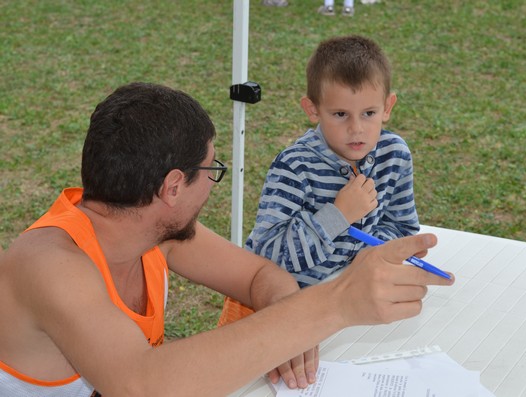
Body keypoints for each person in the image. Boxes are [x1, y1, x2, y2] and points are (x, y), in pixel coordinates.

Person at [0, 82, 453, 396]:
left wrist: (287, 322)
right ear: (173, 187)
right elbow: (142, 384)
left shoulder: (151, 230)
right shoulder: (49, 263)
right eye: (212, 171)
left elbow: (258, 273)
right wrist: (333, 304)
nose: (214, 183)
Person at [245, 35, 419, 287]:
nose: (356, 128)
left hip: (353, 296)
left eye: (369, 113)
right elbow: (267, 258)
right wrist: (338, 216)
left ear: (387, 107)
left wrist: (371, 256)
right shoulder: (294, 167)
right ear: (312, 109)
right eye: (340, 114)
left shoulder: (394, 154)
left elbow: (401, 226)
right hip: (291, 306)